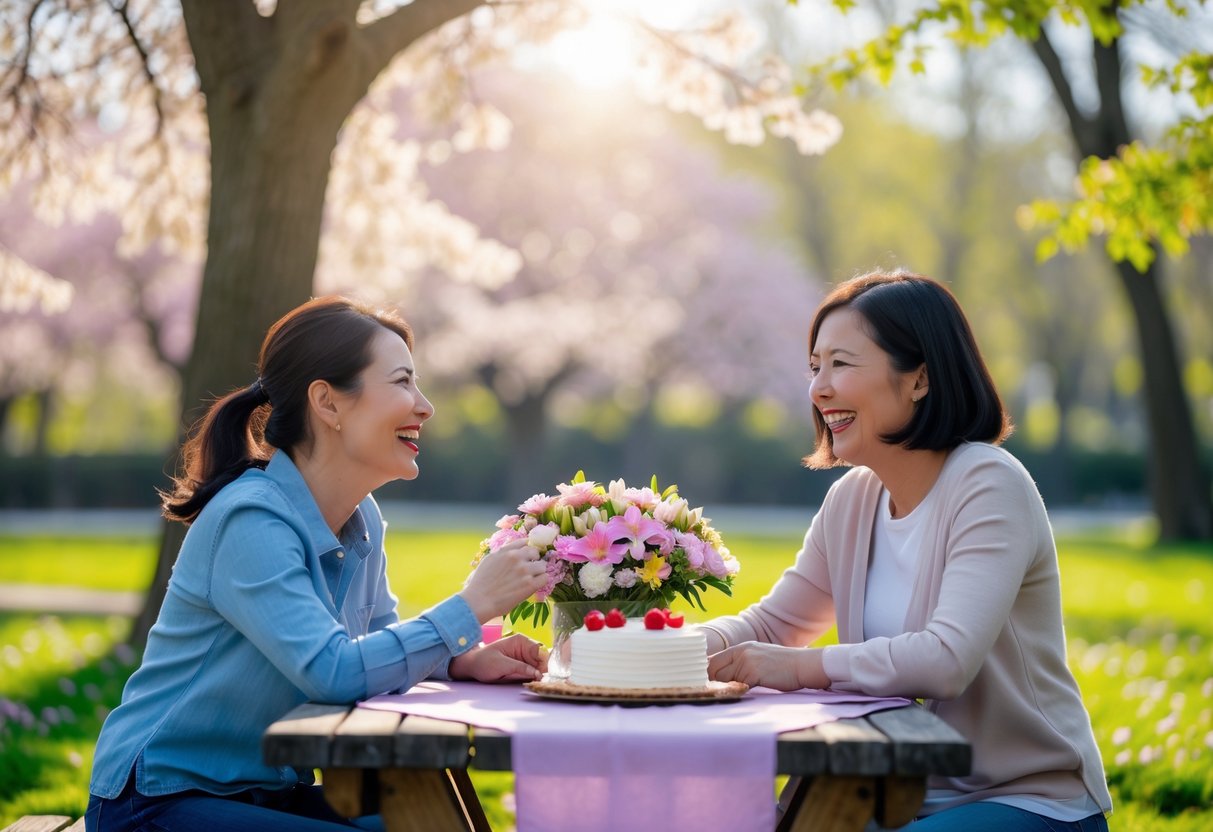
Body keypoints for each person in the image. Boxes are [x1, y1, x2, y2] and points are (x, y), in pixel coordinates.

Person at [86, 296, 550, 832]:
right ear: (327, 404)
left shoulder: (361, 518)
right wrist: (471, 606)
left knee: (434, 823)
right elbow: (333, 672)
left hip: (268, 791)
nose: (424, 406)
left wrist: (458, 660)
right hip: (156, 802)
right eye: (401, 382)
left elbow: (376, 640)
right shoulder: (250, 520)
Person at [703, 271, 1111, 831]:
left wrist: (800, 669)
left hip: (1026, 799)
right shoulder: (852, 499)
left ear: (918, 379)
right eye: (815, 366)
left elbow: (945, 661)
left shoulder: (989, 484)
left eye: (841, 364)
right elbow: (774, 625)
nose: (818, 389)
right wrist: (658, 654)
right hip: (892, 790)